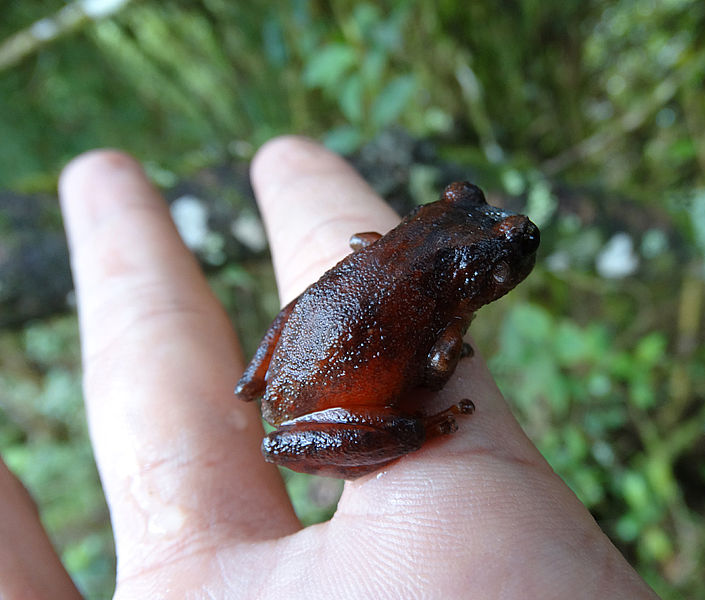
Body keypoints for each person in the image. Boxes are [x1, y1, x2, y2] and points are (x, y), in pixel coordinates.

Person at [0, 137, 659, 599]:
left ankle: (284, 380)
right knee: (406, 421)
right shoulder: (437, 295)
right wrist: (438, 380)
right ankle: (419, 436)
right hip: (321, 411)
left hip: (303, 360)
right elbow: (430, 374)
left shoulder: (400, 249)